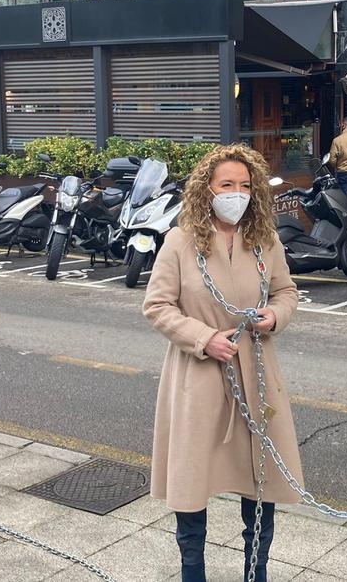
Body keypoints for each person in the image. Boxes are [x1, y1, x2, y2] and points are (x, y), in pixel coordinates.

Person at [143, 144, 303, 582]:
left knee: (261, 478)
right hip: (198, 378)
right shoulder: (179, 242)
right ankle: (192, 572)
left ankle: (259, 573)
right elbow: (157, 306)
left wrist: (275, 316)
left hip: (256, 373)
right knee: (193, 483)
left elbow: (287, 292)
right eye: (227, 185)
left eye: (245, 186)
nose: (237, 193)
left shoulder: (265, 241)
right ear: (207, 190)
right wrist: (203, 337)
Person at [328, 117, 347, 193]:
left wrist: (338, 166)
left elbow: (332, 160)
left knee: (346, 198)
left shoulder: (337, 140)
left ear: (343, 125)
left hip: (344, 173)